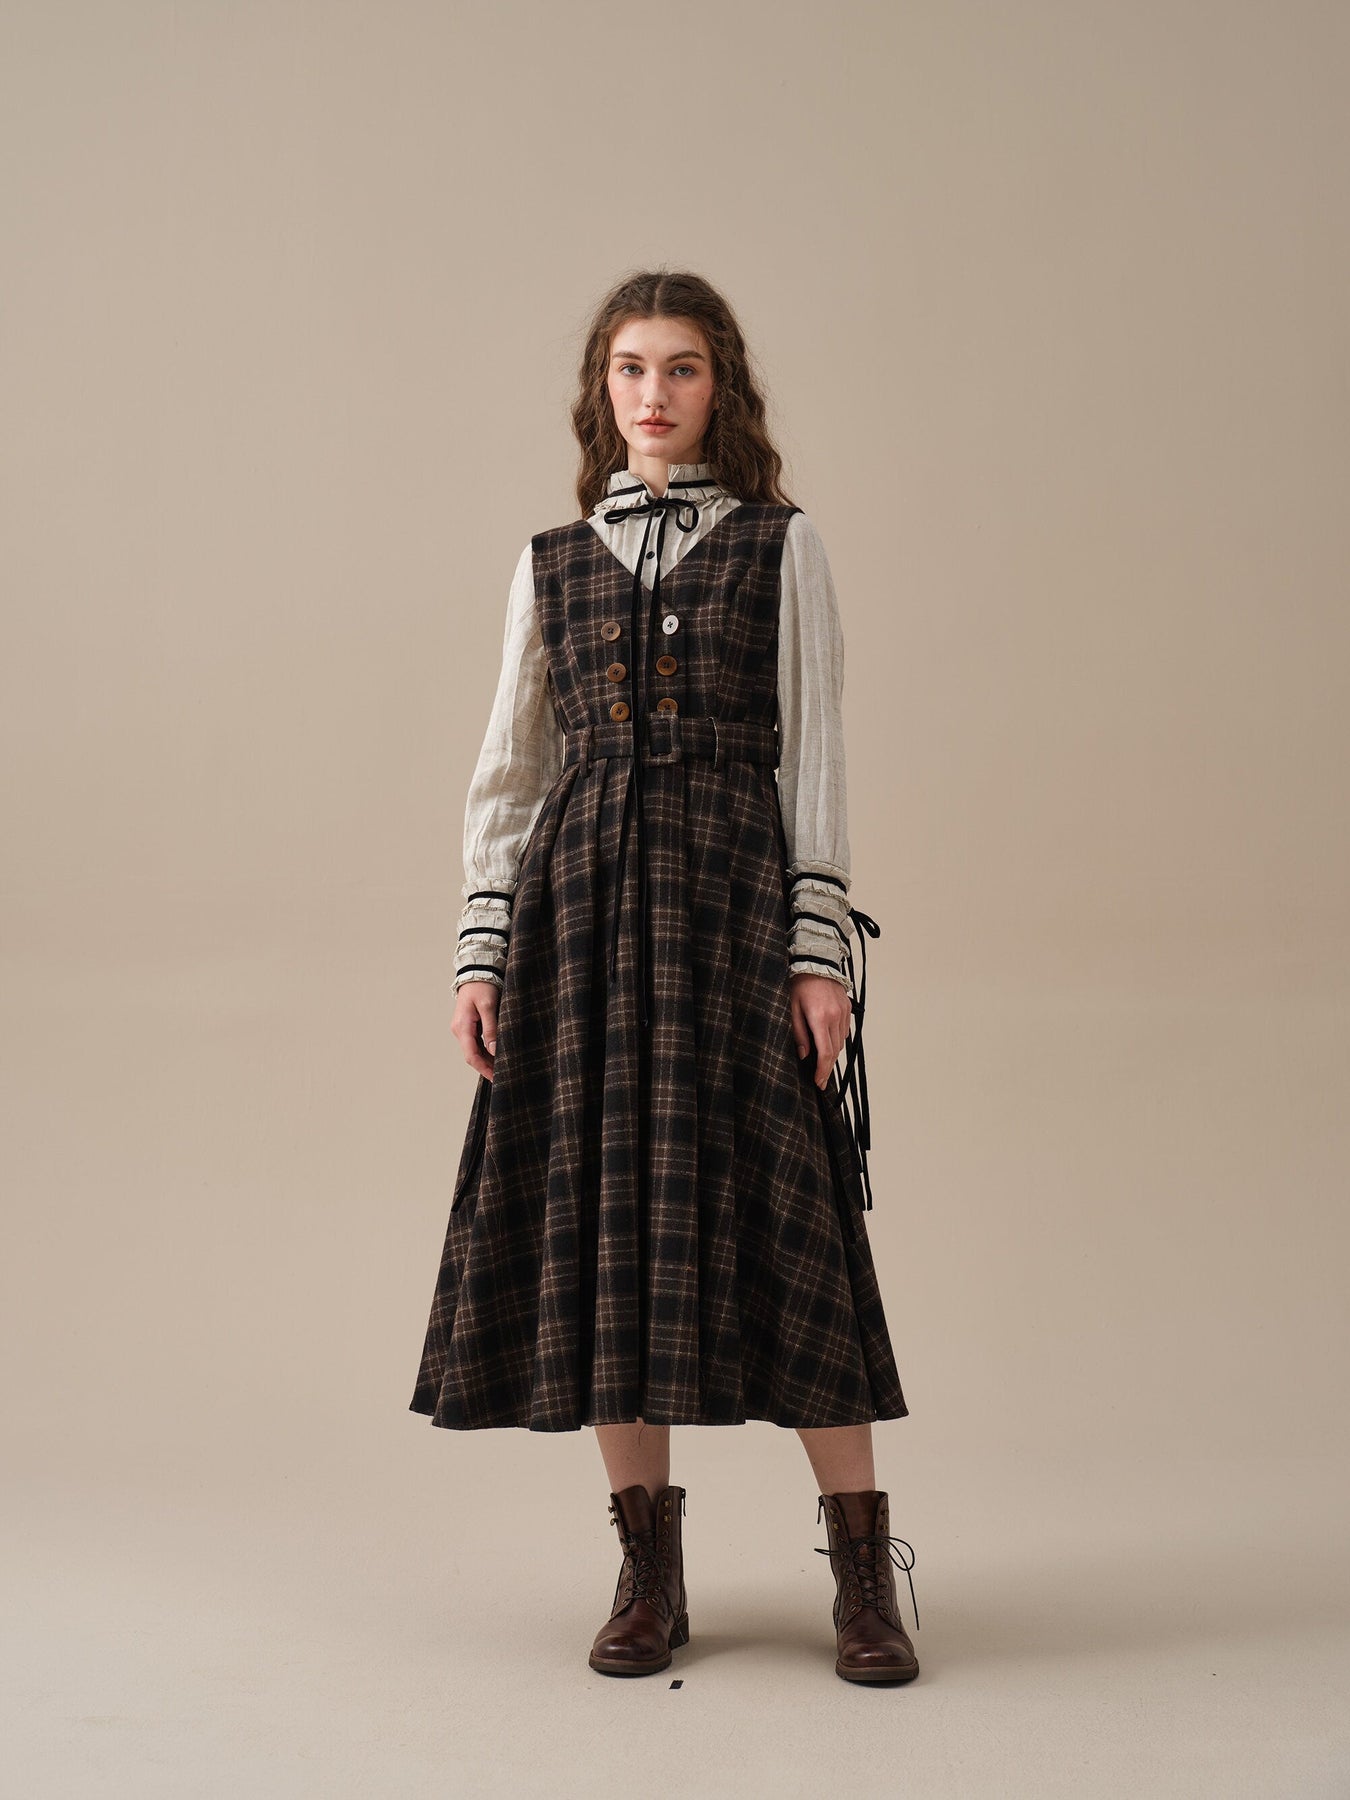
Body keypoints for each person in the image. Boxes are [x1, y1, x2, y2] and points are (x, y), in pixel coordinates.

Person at [409, 269, 921, 1685]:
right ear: (603, 390)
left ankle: (863, 1575)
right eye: (630, 369)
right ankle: (648, 1571)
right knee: (609, 1228)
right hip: (578, 918)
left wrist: (816, 952)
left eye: (680, 367)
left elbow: (815, 757)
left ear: (719, 387)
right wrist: (481, 951)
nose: (653, 393)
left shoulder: (780, 545)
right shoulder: (550, 562)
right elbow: (511, 774)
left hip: (732, 910)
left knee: (787, 1218)